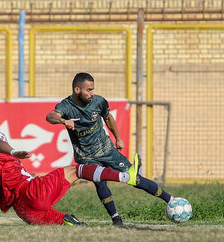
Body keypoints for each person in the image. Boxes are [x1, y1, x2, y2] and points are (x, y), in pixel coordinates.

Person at [0, 110, 141, 226]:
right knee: (76, 170)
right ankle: (126, 177)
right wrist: (14, 151)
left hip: (24, 213)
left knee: (68, 220)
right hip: (33, 193)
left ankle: (72, 222)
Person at [46, 72, 174, 226]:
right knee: (99, 181)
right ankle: (116, 219)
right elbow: (50, 116)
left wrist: (118, 138)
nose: (92, 93)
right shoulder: (66, 106)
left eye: (93, 89)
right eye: (89, 90)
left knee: (134, 178)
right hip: (85, 155)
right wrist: (62, 120)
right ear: (77, 90)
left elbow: (108, 117)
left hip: (106, 150)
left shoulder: (99, 101)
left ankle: (171, 200)